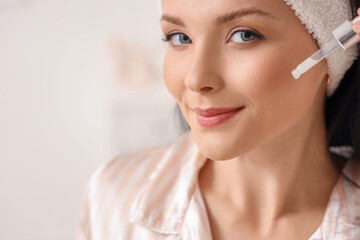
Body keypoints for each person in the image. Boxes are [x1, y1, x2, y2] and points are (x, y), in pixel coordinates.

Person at [77, 0, 360, 239]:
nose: (196, 78)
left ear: (333, 50)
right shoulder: (113, 197)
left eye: (244, 35)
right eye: (180, 37)